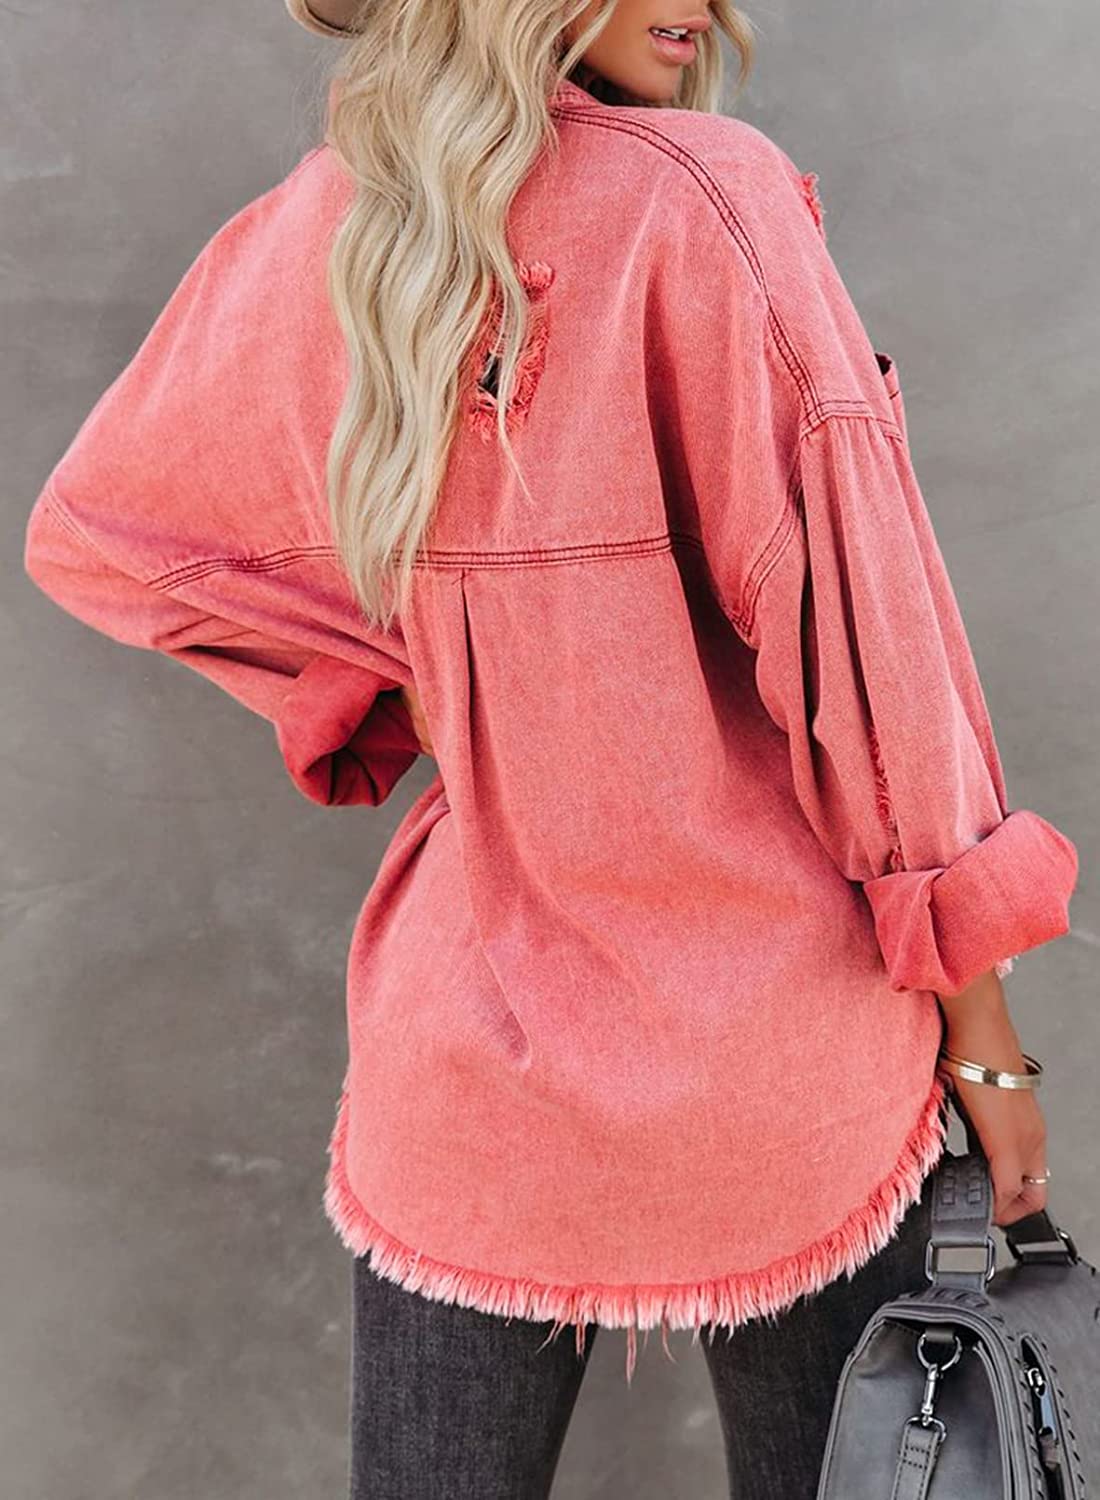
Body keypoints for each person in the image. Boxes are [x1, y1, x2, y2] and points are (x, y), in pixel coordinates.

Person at [24, 1, 1080, 1496]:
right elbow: (873, 653)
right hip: (778, 1068)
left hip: (470, 1066)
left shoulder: (346, 214)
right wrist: (987, 1045)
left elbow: (102, 537)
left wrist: (435, 690)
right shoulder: (709, 192)